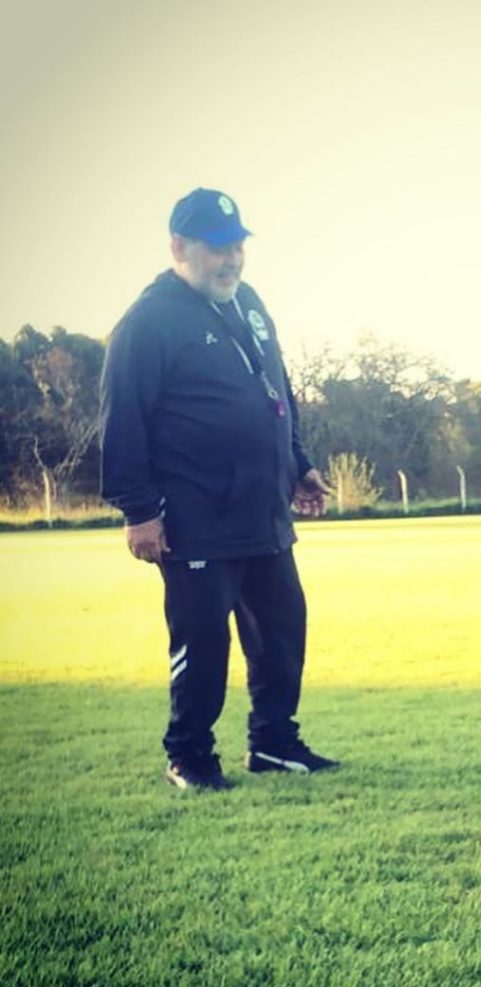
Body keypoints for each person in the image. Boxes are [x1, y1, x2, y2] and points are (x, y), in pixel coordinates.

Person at [100, 187, 338, 791]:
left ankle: (275, 744)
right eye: (216, 248)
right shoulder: (147, 321)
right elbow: (123, 419)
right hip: (195, 517)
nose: (230, 260)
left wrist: (298, 464)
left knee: (283, 629)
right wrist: (138, 511)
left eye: (237, 247)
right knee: (203, 642)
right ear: (179, 247)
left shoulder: (248, 303)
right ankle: (190, 757)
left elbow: (275, 390)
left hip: (262, 511)